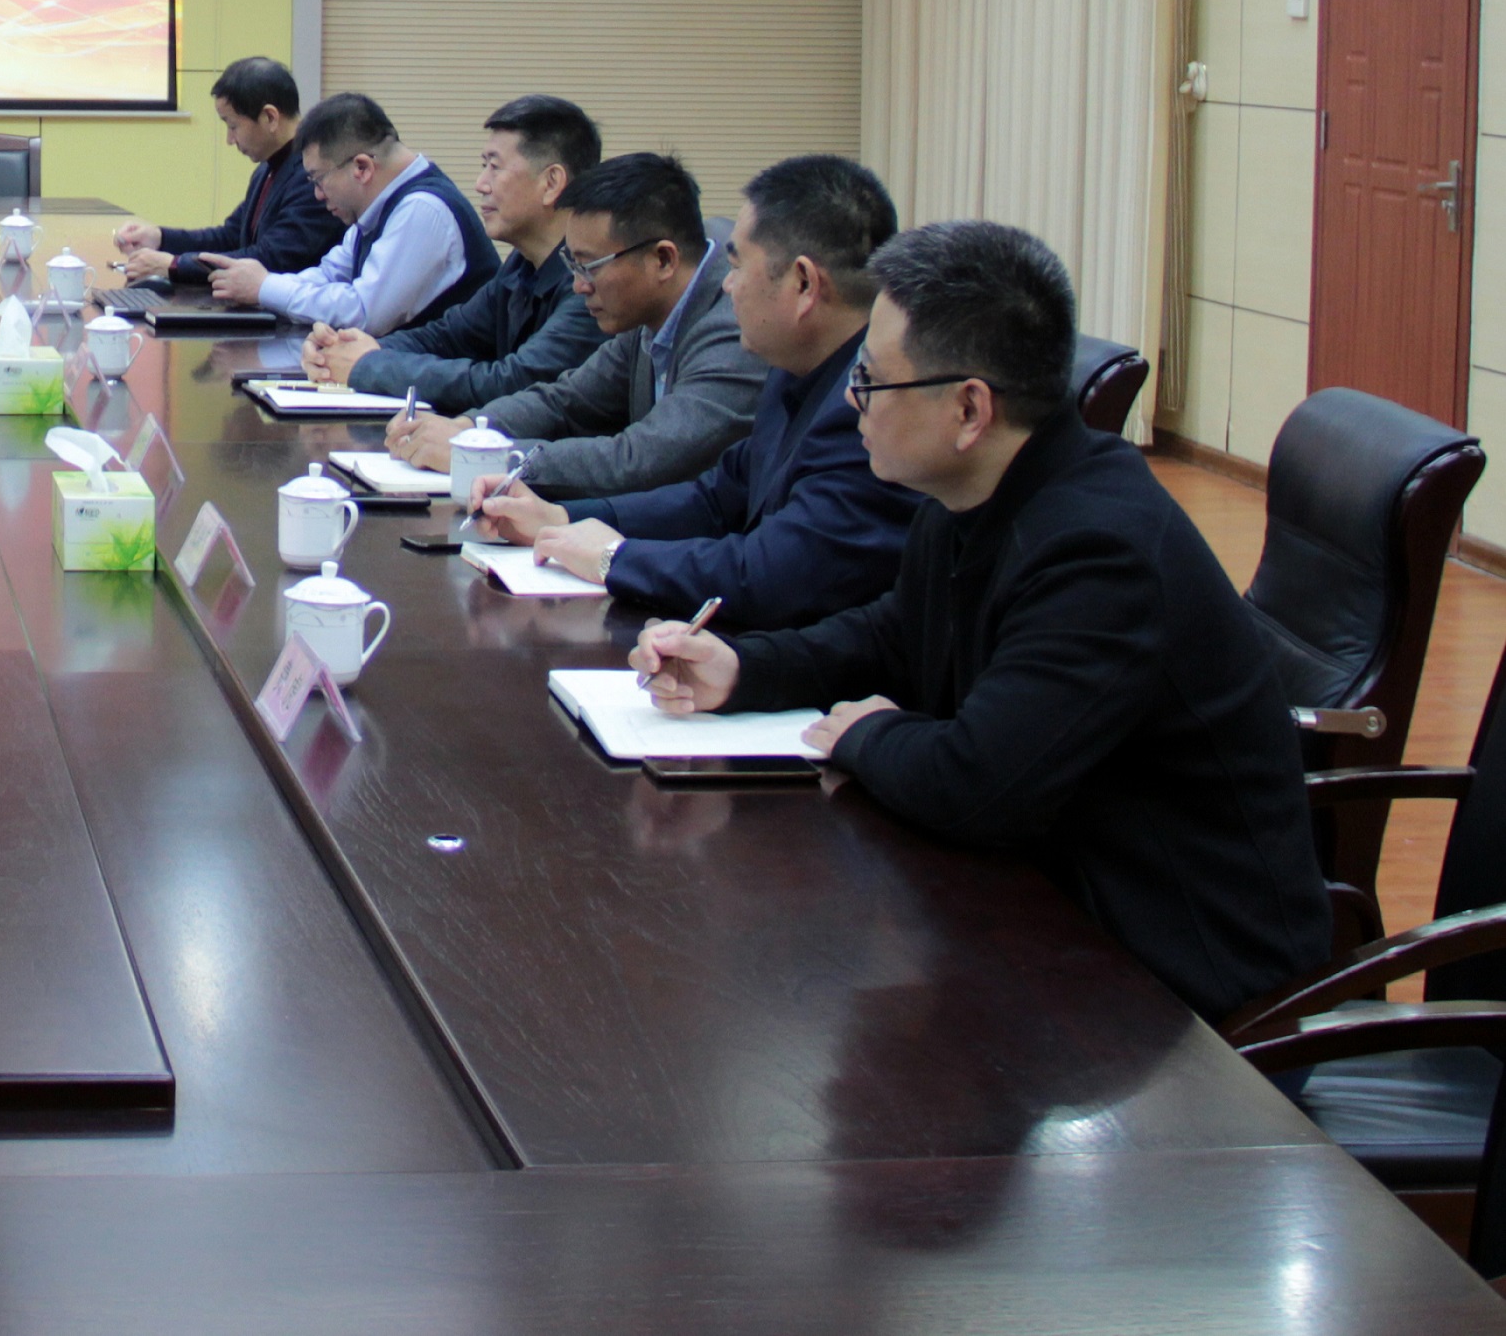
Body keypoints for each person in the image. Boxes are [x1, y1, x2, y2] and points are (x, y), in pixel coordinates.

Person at [628, 220, 1332, 1021]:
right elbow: (895, 634)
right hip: (1049, 923)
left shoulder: (1100, 553)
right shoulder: (974, 491)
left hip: (1187, 998)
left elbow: (977, 786)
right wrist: (746, 667)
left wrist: (866, 735)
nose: (852, 402)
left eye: (872, 380)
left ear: (969, 408)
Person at [471, 155, 921, 630]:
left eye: (738, 266)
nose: (727, 284)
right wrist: (561, 518)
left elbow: (770, 574)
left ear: (803, 283)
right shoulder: (797, 368)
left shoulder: (869, 406)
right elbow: (716, 498)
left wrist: (614, 558)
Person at [384, 152, 763, 499]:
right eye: (573, 266)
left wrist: (485, 457)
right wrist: (470, 428)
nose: (579, 286)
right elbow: (566, 401)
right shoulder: (649, 307)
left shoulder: (734, 329)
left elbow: (641, 460)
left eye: (589, 266)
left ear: (663, 260)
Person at [310, 94, 603, 413]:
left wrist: (367, 365)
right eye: (483, 166)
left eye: (495, 167)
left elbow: (512, 382)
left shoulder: (592, 284)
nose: (480, 184)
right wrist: (346, 349)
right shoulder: (522, 267)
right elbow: (448, 336)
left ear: (552, 182)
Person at [222, 93, 496, 334]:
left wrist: (266, 287)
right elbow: (330, 274)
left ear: (362, 168)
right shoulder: (374, 211)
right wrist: (259, 286)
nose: (317, 194)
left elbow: (364, 313)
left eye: (318, 179)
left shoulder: (422, 209)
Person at [112, 57, 340, 283]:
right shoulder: (268, 168)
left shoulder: (314, 177)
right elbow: (230, 237)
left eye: (233, 126)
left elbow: (271, 259)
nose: (229, 140)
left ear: (270, 117)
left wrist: (174, 265)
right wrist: (160, 238)